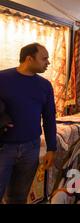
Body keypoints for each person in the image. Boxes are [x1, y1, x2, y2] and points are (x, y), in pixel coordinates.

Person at [0, 43, 56, 204]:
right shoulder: (3, 79)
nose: (48, 62)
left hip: (31, 148)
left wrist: (51, 148)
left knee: (18, 197)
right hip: (3, 147)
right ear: (29, 59)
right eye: (44, 58)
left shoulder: (45, 85)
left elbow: (49, 117)